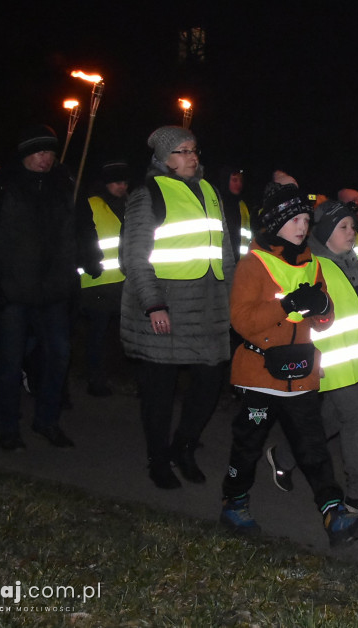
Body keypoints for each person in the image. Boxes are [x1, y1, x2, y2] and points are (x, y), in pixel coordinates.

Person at [220, 182, 358, 547]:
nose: (302, 226)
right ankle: (234, 502)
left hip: (301, 373)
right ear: (275, 222)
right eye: (295, 219)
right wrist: (287, 304)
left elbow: (323, 320)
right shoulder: (253, 264)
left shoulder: (310, 263)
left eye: (306, 220)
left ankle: (334, 515)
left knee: (313, 447)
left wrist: (323, 311)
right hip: (260, 375)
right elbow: (242, 321)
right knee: (248, 444)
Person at [119, 127, 235, 489]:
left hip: (210, 305)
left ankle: (183, 447)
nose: (192, 157)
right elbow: (134, 257)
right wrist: (154, 304)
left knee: (209, 381)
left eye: (194, 150)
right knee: (159, 392)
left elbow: (225, 253)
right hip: (165, 304)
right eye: (183, 152)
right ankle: (158, 460)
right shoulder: (147, 194)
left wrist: (236, 301)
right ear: (162, 159)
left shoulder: (210, 192)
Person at [265, 200, 358, 517]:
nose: (351, 233)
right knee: (357, 422)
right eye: (342, 227)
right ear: (324, 233)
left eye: (352, 226)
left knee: (332, 420)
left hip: (352, 360)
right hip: (326, 362)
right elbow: (292, 314)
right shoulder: (311, 267)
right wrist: (306, 358)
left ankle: (283, 456)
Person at [0, 125, 77, 450]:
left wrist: (69, 277)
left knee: (59, 355)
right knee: (11, 362)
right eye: (40, 152)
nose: (46, 159)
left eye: (51, 153)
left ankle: (47, 421)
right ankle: (8, 428)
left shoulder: (61, 186)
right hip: (12, 291)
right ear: (26, 153)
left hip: (52, 291)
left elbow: (70, 236)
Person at [78, 159, 130, 397]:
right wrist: (89, 261)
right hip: (97, 282)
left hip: (123, 282)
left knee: (120, 336)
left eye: (124, 182)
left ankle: (117, 377)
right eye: (117, 182)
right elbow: (82, 238)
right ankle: (95, 380)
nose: (122, 186)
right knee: (97, 336)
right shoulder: (91, 203)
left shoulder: (128, 205)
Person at [217, 166, 251, 262]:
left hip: (240, 262)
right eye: (234, 180)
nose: (239, 184)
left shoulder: (242, 205)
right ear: (226, 180)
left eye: (241, 181)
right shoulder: (217, 203)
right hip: (221, 263)